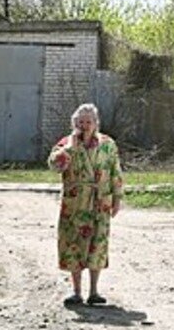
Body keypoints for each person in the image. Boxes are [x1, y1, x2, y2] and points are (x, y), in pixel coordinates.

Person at [47, 103, 124, 307]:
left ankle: (94, 291)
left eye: (89, 122)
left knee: (97, 244)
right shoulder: (66, 143)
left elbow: (116, 172)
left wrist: (117, 198)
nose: (85, 126)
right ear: (74, 124)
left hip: (100, 201)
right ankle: (76, 291)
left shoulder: (108, 144)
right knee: (73, 243)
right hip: (75, 203)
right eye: (80, 122)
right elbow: (54, 165)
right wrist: (69, 149)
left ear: (96, 123)